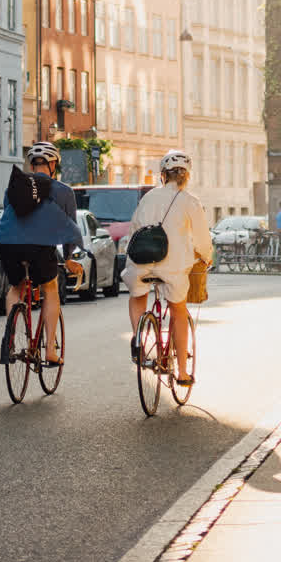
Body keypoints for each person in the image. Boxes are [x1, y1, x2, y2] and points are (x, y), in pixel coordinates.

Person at [0, 142, 82, 365]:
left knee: (15, 288)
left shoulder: (13, 189)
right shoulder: (64, 191)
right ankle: (49, 352)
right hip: (39, 248)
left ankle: (10, 339)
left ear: (31, 164)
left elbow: (9, 220)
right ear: (53, 164)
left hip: (9, 246)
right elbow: (69, 227)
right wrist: (67, 258)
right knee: (51, 287)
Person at [124, 149, 212, 387]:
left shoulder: (148, 198)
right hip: (172, 267)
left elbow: (134, 230)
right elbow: (203, 239)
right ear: (186, 176)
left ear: (163, 175)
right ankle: (182, 372)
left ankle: (138, 338)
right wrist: (207, 257)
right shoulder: (190, 201)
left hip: (140, 264)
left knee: (137, 295)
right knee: (178, 310)